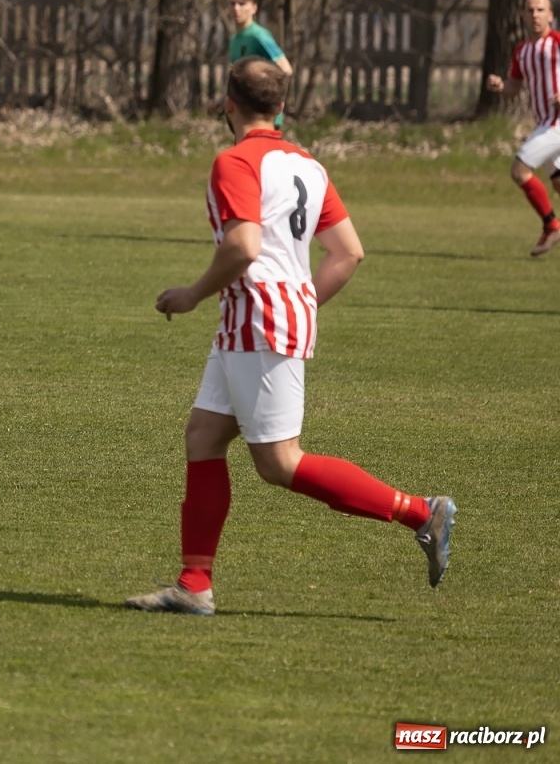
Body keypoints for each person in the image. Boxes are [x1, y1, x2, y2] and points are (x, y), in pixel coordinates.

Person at [126, 58, 455, 617]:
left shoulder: (234, 161)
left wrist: (191, 293)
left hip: (258, 322)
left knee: (279, 463)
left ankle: (421, 512)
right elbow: (347, 252)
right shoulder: (307, 164)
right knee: (203, 436)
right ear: (280, 106)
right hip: (250, 322)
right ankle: (193, 585)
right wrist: (300, 301)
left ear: (226, 103)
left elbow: (243, 247)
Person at [485, 0, 560, 255]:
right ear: (524, 16)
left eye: (541, 10)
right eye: (530, 10)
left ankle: (552, 225)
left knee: (519, 171)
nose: (535, 15)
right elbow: (514, 88)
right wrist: (500, 86)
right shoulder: (522, 50)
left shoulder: (558, 42)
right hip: (544, 123)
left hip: (557, 124)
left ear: (551, 15)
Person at [209, 0, 293, 129]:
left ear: (254, 8)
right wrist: (223, 101)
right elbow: (240, 81)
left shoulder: (259, 36)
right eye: (232, 3)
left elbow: (285, 69)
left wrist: (265, 100)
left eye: (242, 4)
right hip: (242, 118)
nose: (236, 8)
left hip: (264, 119)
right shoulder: (235, 40)